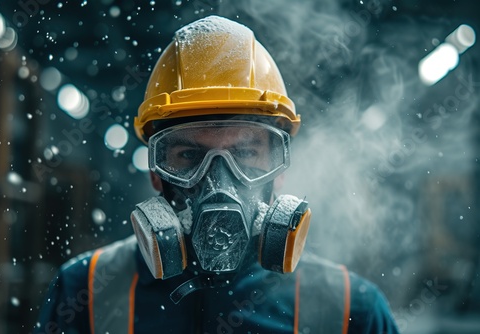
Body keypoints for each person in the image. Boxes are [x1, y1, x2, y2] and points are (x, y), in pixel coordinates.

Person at [34, 15, 399, 334]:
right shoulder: (86, 292)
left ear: (279, 171)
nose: (218, 180)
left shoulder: (351, 311)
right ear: (156, 173)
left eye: (245, 153)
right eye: (189, 154)